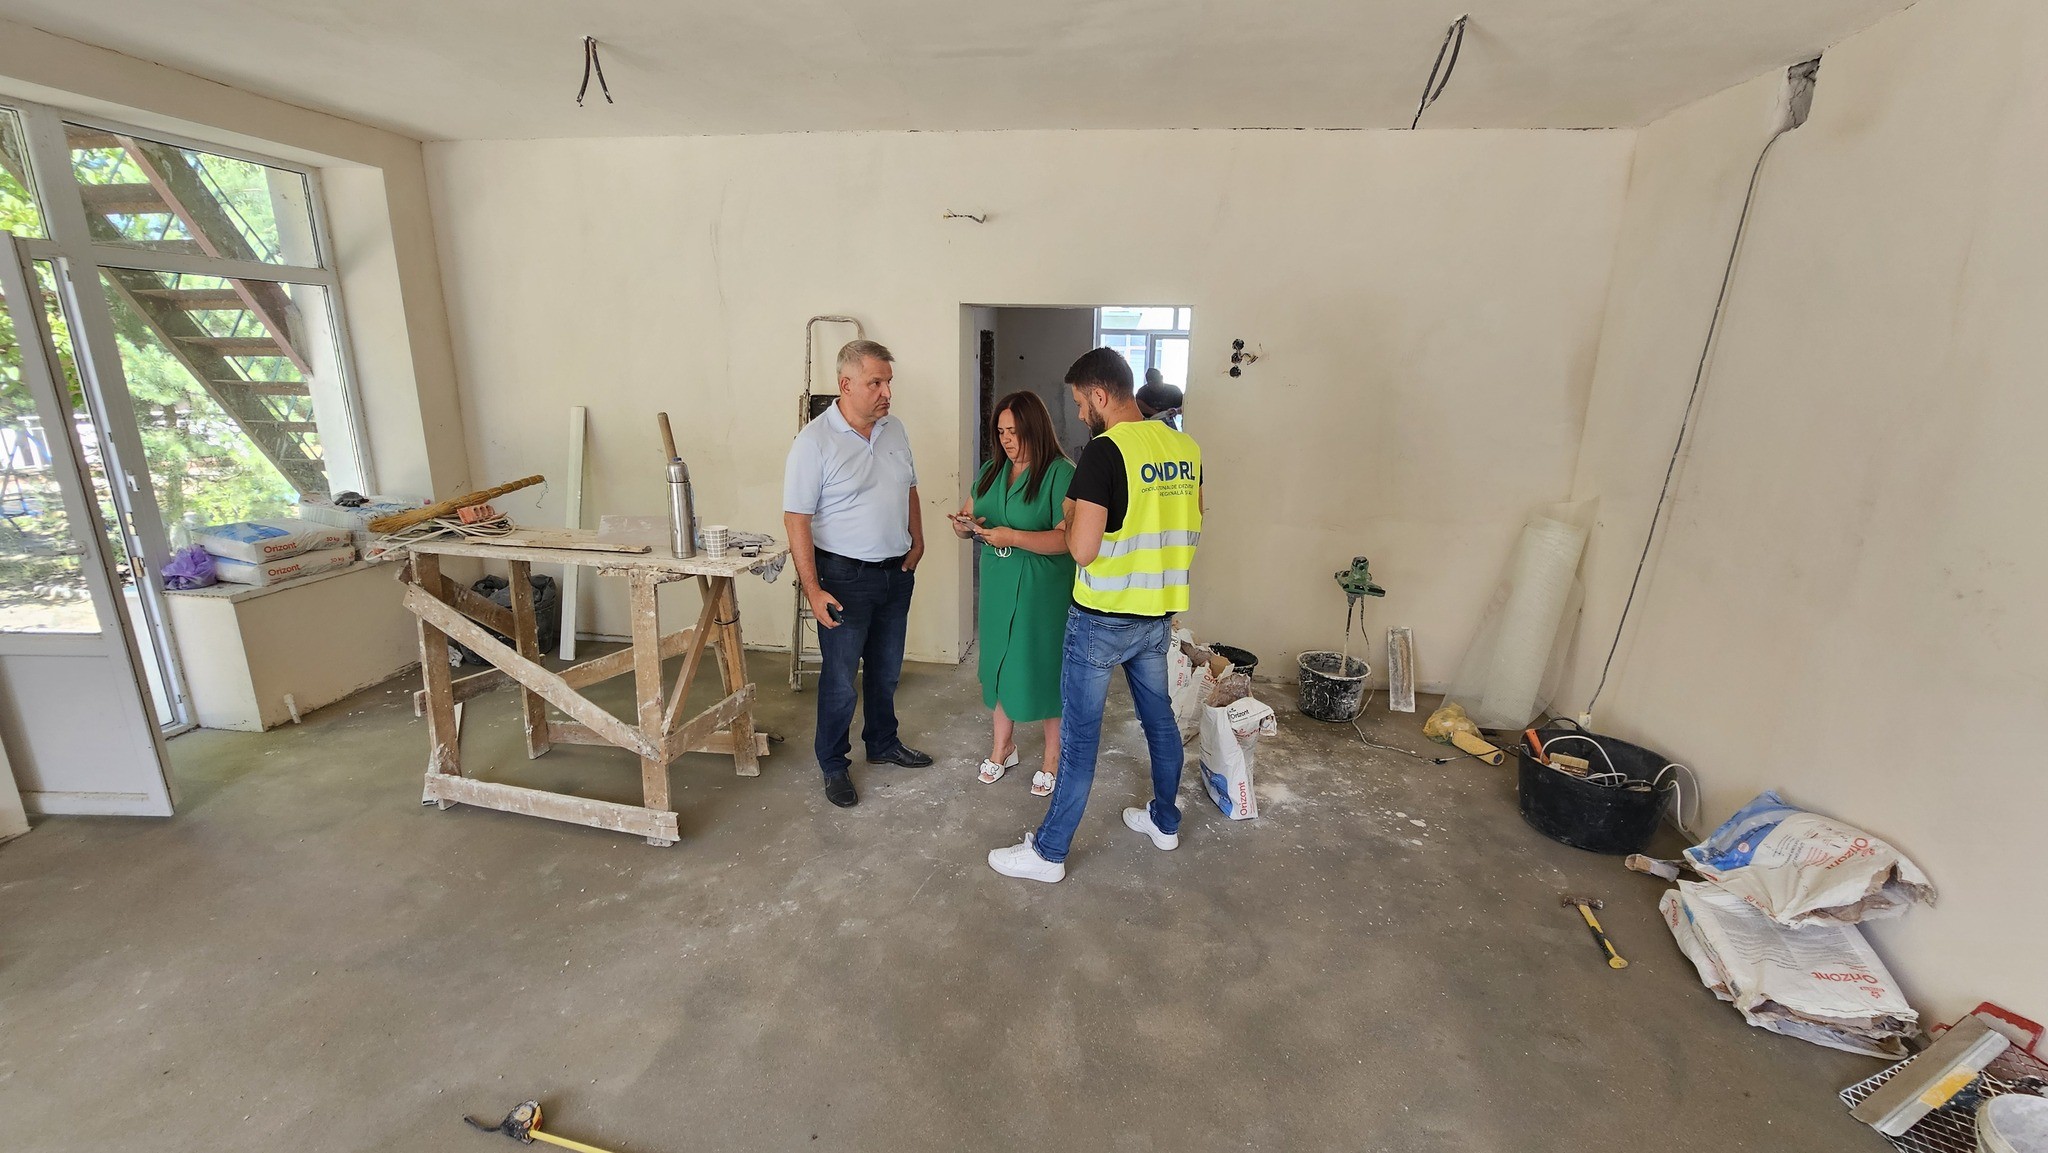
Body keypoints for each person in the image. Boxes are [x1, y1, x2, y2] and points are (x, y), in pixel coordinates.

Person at [989, 348, 1203, 882]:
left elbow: (1082, 551)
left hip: (1102, 617)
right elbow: (1194, 517)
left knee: (1081, 739)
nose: (1081, 414)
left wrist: (1069, 513)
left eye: (1083, 404)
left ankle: (1049, 853)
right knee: (1160, 722)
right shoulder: (1185, 446)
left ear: (1101, 395)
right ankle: (1165, 821)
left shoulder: (1105, 453)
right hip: (1157, 613)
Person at [783, 340, 932, 809]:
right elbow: (796, 518)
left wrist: (917, 540)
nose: (887, 392)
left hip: (895, 574)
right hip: (843, 578)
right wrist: (813, 589)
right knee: (840, 681)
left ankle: (883, 743)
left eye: (888, 382)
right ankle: (833, 763)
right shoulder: (813, 443)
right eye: (876, 383)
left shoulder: (894, 429)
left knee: (886, 672)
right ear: (845, 384)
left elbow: (909, 487)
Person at [950, 392, 1075, 798]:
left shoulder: (1060, 473)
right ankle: (1003, 746)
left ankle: (1053, 756)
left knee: (1043, 664)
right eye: (1001, 432)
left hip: (1043, 588)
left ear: (1035, 430)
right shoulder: (992, 470)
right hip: (999, 582)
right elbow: (969, 514)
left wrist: (1014, 537)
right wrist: (964, 525)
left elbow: (1068, 539)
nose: (1007, 440)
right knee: (1000, 662)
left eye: (1015, 432)